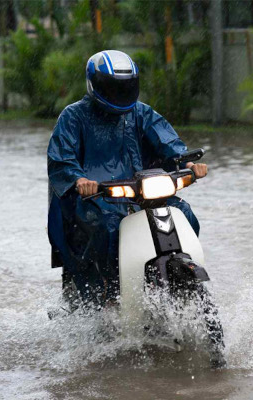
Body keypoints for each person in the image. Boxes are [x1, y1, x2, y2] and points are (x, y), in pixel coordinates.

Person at [47, 50, 208, 308]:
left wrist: (187, 163)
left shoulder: (142, 113)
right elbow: (62, 158)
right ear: (95, 84)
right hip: (97, 198)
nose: (119, 93)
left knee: (184, 213)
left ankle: (182, 269)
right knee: (109, 226)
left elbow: (168, 141)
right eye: (112, 87)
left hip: (142, 193)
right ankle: (108, 291)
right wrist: (79, 180)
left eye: (125, 87)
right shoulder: (73, 116)